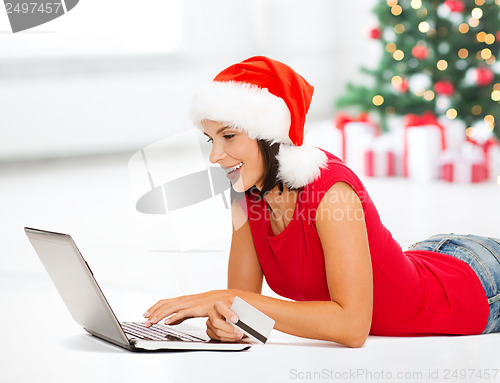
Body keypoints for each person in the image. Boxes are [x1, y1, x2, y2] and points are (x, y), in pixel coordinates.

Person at [143, 56, 500, 348]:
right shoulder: (246, 198)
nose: (215, 156)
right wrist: (229, 325)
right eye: (210, 140)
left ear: (270, 133)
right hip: (431, 255)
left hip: (475, 288)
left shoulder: (330, 193)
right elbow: (244, 308)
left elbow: (352, 327)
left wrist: (232, 302)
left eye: (229, 136)